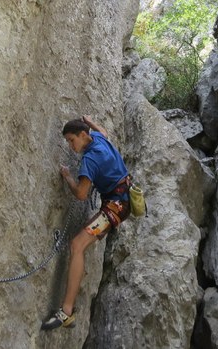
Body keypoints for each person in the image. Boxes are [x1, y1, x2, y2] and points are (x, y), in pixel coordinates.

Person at [41, 115, 131, 331]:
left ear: (83, 136)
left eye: (72, 140)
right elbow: (104, 131)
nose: (71, 146)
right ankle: (67, 311)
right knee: (77, 245)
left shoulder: (90, 159)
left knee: (77, 245)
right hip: (122, 199)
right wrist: (90, 122)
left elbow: (82, 194)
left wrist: (68, 176)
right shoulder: (98, 138)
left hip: (115, 208)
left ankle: (67, 312)